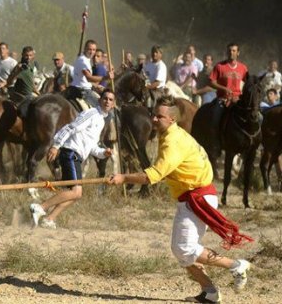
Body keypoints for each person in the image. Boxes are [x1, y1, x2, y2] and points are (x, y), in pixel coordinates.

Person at [108, 95, 252, 304]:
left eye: (159, 116)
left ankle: (236, 265)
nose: (154, 119)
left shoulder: (173, 142)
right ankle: (210, 291)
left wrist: (123, 178)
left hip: (197, 198)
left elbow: (153, 176)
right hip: (193, 197)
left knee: (184, 248)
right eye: (154, 115)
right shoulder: (170, 134)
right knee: (182, 250)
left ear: (172, 119)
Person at [29, 89, 115, 229]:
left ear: (113, 104)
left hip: (77, 156)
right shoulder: (92, 114)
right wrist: (56, 145)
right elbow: (71, 127)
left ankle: (49, 219)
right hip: (70, 153)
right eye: (105, 98)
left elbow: (92, 146)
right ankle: (40, 207)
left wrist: (103, 153)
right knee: (75, 191)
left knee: (76, 194)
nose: (107, 101)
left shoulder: (101, 121)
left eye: (111, 100)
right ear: (100, 100)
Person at [67, 40, 111, 111]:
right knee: (103, 108)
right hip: (83, 91)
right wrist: (106, 77)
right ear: (85, 49)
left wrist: (95, 85)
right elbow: (89, 78)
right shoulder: (83, 61)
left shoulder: (85, 59)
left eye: (94, 50)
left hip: (80, 88)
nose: (92, 52)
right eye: (89, 49)